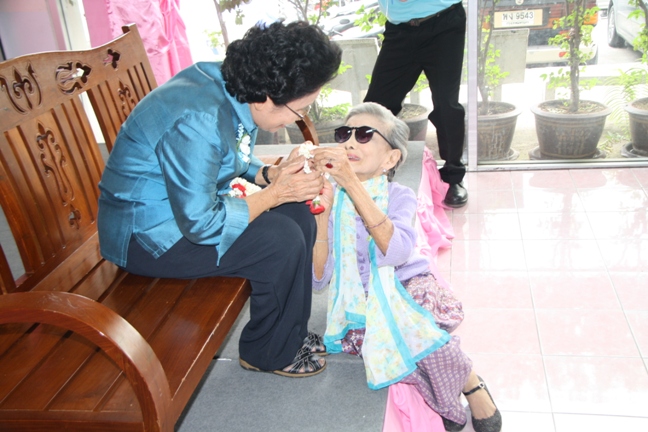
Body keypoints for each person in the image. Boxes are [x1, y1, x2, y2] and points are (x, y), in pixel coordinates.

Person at [97, 21, 342, 378]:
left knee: (297, 212)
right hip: (146, 237)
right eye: (298, 110)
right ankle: (267, 352)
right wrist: (275, 193)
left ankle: (288, 334)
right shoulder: (199, 120)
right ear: (266, 97)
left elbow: (230, 152)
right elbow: (202, 224)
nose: (299, 118)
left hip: (181, 210)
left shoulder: (233, 85)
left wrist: (269, 175)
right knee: (280, 240)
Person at [310, 102, 501, 432]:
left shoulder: (398, 195)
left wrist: (352, 185)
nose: (350, 142)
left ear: (390, 159)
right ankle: (451, 390)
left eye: (364, 134)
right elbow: (318, 279)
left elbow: (397, 251)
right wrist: (322, 214)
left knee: (406, 321)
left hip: (407, 282)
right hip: (359, 301)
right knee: (385, 340)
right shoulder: (331, 196)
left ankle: (470, 383)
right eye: (344, 134)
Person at [363, 0, 468, 208]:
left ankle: (453, 177)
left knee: (446, 105)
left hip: (444, 23)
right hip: (399, 29)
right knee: (377, 105)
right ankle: (373, 169)